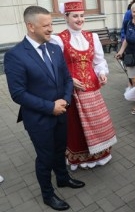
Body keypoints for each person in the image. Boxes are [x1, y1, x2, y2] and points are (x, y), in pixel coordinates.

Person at [4, 5, 85, 211]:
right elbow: (18, 94)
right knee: (46, 157)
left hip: (61, 112)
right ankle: (48, 195)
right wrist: (50, 107)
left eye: (51, 24)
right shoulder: (15, 55)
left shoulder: (55, 48)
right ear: (31, 26)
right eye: (46, 25)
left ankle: (63, 178)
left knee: (60, 150)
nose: (51, 29)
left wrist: (65, 101)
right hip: (39, 119)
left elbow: (67, 79)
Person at [51, 1, 117, 171]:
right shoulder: (58, 39)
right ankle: (80, 158)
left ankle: (100, 154)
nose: (80, 19)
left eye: (82, 15)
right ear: (66, 17)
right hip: (73, 91)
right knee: (77, 126)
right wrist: (69, 79)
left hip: (92, 89)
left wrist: (102, 73)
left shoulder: (91, 37)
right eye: (75, 16)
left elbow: (99, 61)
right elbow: (55, 66)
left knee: (96, 123)